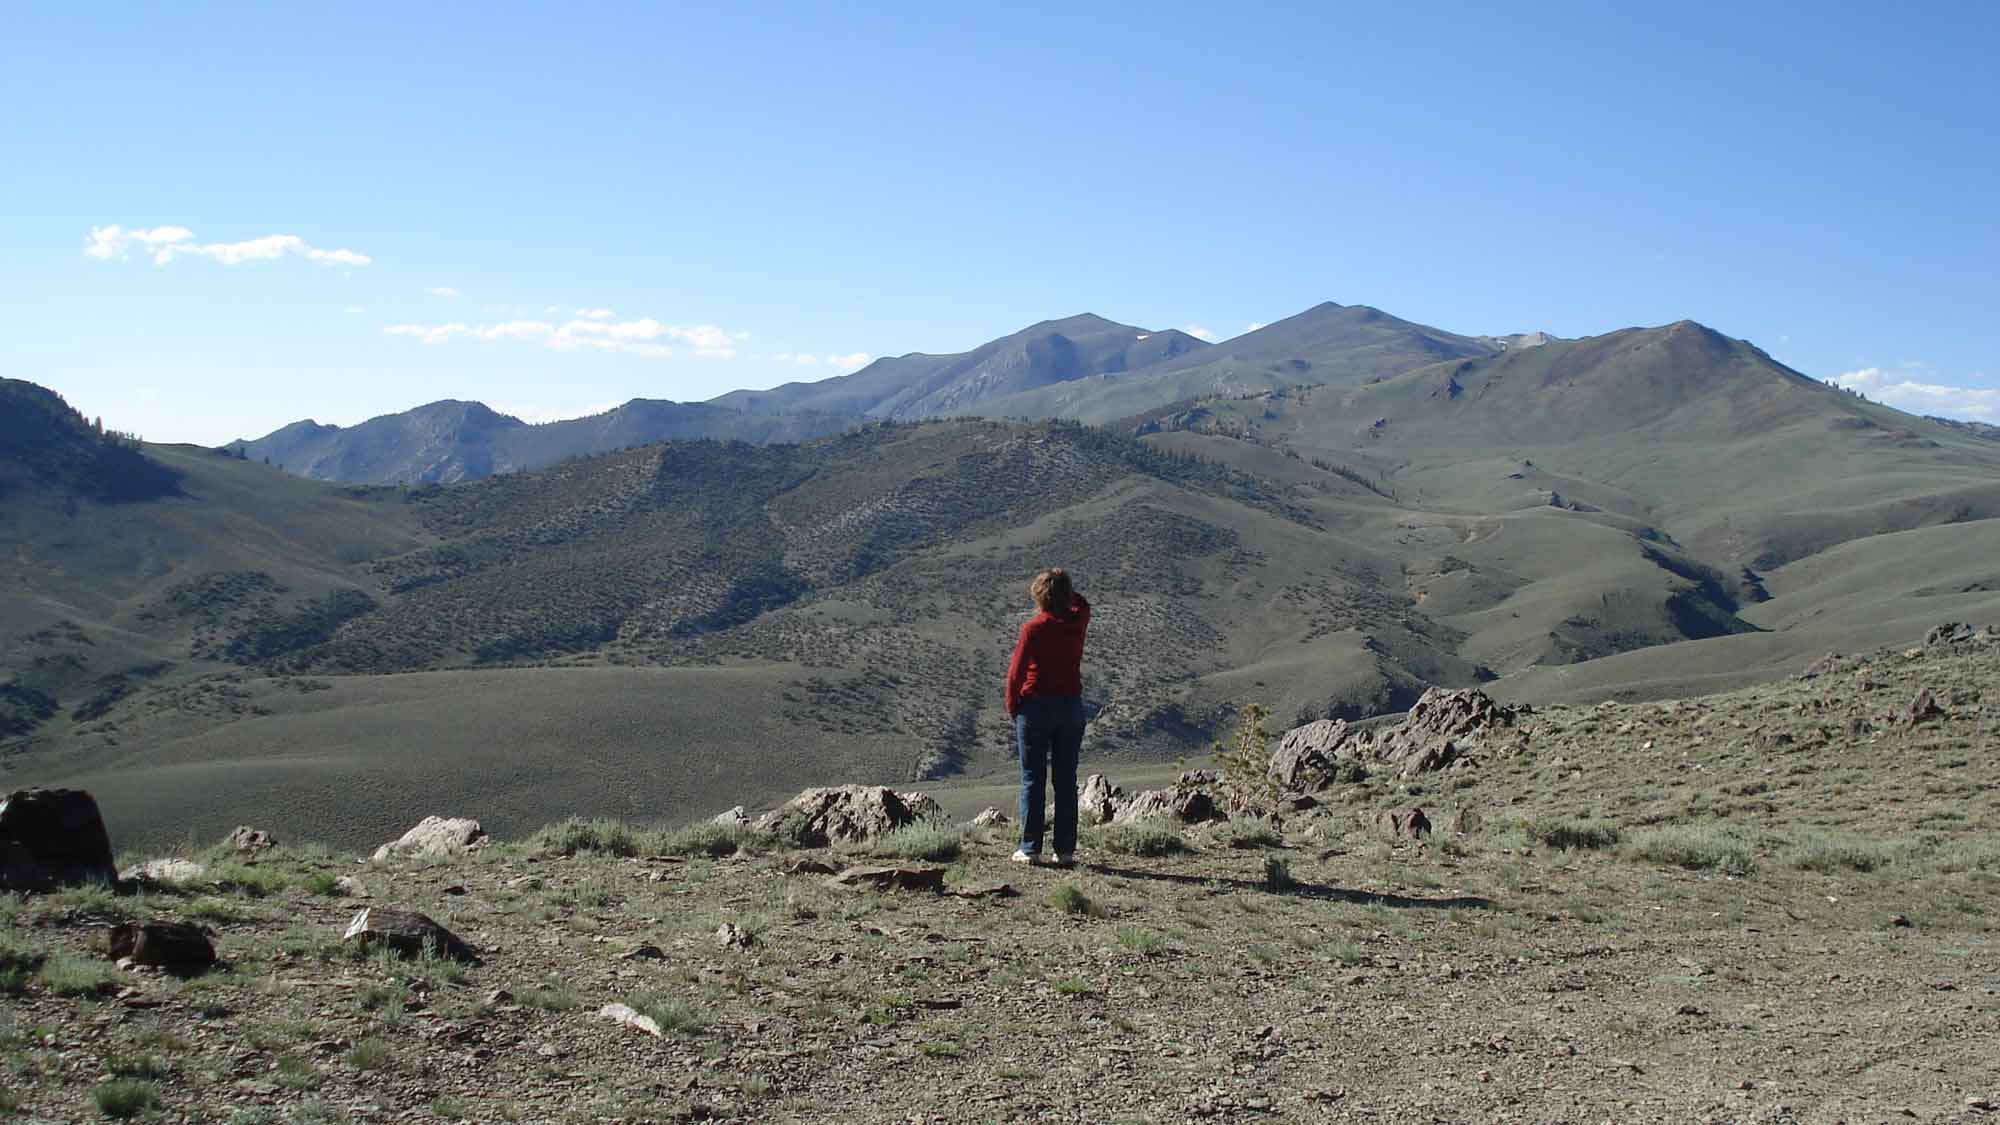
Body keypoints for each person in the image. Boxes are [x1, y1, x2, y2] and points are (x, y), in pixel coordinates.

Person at [1004, 567, 1090, 866]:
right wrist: (1064, 587)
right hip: (1070, 706)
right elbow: (1082, 602)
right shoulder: (1078, 620)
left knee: (1033, 779)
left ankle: (1029, 848)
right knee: (1066, 780)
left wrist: (1013, 706)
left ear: (1040, 597)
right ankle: (1064, 850)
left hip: (1036, 707)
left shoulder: (1034, 628)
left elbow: (1016, 672)